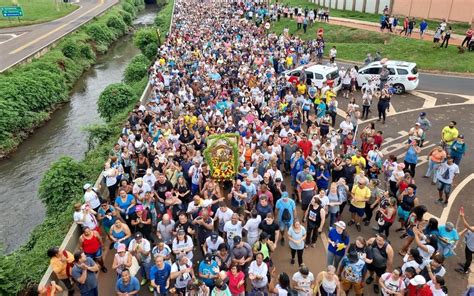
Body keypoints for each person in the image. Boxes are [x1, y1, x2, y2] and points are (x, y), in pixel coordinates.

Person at [457, 207, 474, 274]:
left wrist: (462, 217)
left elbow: (468, 226)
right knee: (467, 257)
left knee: (469, 259)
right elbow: (470, 227)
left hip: (471, 247)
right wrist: (462, 232)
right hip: (469, 244)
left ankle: (465, 270)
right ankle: (466, 265)